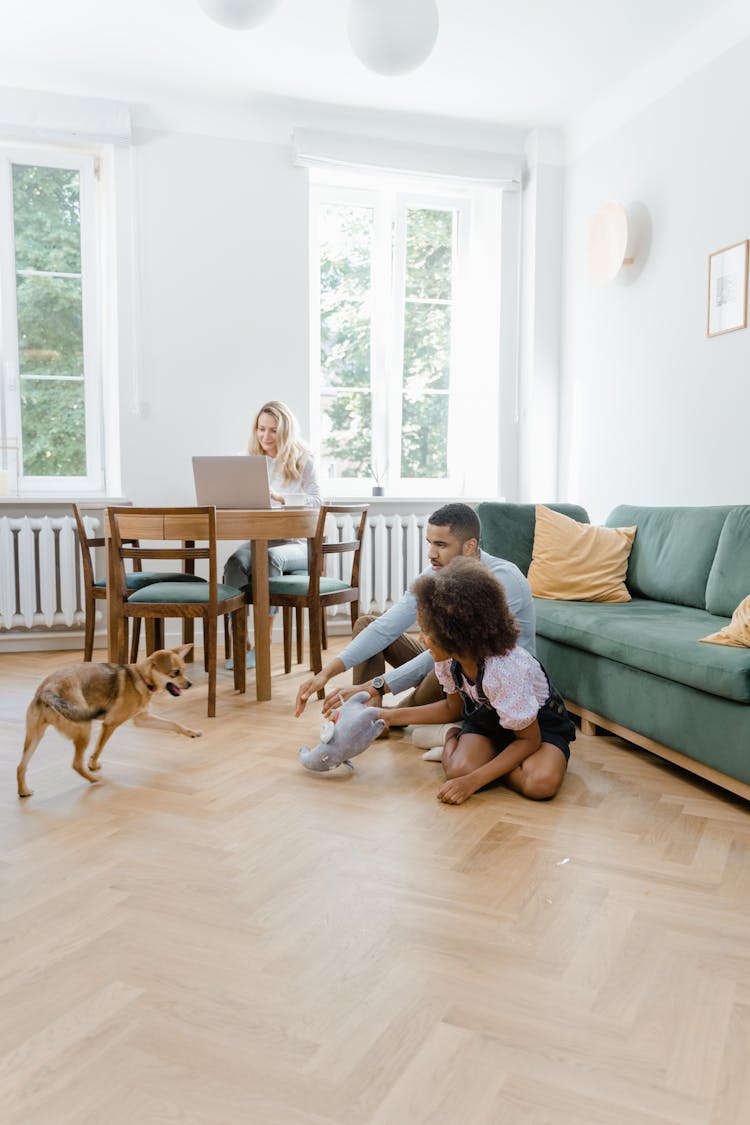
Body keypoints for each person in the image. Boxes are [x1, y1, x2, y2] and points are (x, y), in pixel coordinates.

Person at [294, 502, 535, 717]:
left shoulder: (503, 580)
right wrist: (326, 673)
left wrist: (376, 685)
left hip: (496, 683)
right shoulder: (436, 572)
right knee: (368, 623)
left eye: (441, 545)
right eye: (430, 543)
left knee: (448, 661)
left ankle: (383, 718)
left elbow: (452, 654)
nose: (431, 554)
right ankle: (366, 709)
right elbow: (386, 628)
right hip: (452, 665)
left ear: (470, 546)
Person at [377, 556, 575, 805]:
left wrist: (473, 781)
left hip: (536, 727)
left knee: (540, 784)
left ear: (457, 635)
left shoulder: (504, 669)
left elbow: (529, 740)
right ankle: (453, 737)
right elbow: (452, 708)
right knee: (458, 770)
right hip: (489, 719)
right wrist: (387, 715)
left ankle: (487, 761)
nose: (420, 639)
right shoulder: (447, 659)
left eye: (426, 631)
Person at [224, 400, 321, 669]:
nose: (265, 436)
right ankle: (241, 644)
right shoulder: (246, 460)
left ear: (286, 431)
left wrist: (281, 498)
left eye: (273, 431)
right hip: (259, 539)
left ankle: (263, 643)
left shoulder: (303, 459)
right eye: (261, 429)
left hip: (297, 545)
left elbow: (317, 502)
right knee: (235, 563)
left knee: (268, 558)